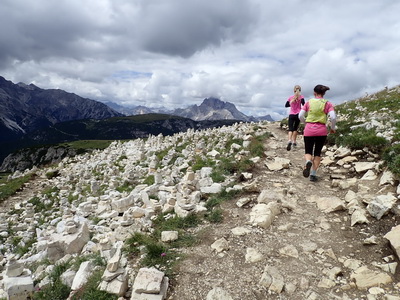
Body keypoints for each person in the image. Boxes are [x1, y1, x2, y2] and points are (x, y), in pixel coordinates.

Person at [298, 84, 336, 182]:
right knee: (318, 153)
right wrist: (332, 128)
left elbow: (300, 115)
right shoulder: (328, 103)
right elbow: (333, 117)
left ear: (314, 93)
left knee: (308, 151)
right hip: (321, 130)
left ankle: (307, 161)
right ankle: (313, 174)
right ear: (323, 93)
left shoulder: (308, 102)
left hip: (309, 129)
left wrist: (305, 122)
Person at [285, 85, 305, 151]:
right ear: (300, 90)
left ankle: (289, 140)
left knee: (290, 128)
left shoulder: (290, 97)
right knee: (295, 128)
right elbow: (303, 104)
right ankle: (294, 142)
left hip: (291, 114)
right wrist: (299, 98)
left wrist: (292, 100)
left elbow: (286, 105)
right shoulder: (301, 97)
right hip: (298, 114)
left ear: (294, 90)